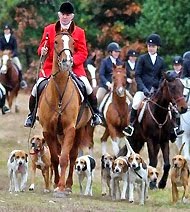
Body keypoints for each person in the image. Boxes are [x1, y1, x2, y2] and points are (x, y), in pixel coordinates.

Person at [24, 1, 102, 128]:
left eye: (68, 14)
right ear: (59, 15)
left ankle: (95, 114)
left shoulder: (79, 32)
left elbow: (83, 52)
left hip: (75, 68)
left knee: (88, 87)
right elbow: (41, 48)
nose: (65, 17)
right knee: (36, 88)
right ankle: (31, 115)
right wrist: (42, 51)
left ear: (72, 16)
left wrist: (71, 62)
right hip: (51, 68)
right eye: (63, 14)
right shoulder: (49, 30)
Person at [123, 33, 184, 137]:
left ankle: (174, 127)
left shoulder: (161, 60)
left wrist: (158, 87)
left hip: (157, 90)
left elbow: (163, 77)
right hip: (143, 89)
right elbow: (138, 76)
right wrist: (143, 89)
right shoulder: (142, 59)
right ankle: (131, 126)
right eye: (149, 46)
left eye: (153, 46)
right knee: (135, 103)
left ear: (157, 47)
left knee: (171, 106)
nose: (151, 48)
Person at [0, 24, 27, 89]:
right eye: (5, 30)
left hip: (12, 56)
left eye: (7, 30)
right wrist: (2, 54)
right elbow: (0, 48)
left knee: (19, 66)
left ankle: (21, 81)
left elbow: (15, 48)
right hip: (3, 56)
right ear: (4, 31)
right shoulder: (1, 39)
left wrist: (12, 55)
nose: (6, 31)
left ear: (9, 30)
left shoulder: (13, 38)